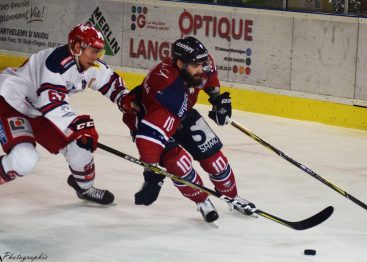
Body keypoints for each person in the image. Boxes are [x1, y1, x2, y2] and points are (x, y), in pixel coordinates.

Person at [123, 36, 255, 223]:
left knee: (215, 159)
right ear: (179, 63)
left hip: (181, 112)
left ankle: (232, 196)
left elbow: (209, 80)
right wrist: (151, 175)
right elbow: (148, 139)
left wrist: (217, 99)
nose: (201, 69)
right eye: (196, 65)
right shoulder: (166, 89)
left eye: (202, 63)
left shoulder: (201, 64)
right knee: (179, 164)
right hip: (151, 121)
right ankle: (202, 201)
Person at [0, 24, 133, 205]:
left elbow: (111, 82)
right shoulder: (54, 63)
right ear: (78, 47)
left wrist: (125, 100)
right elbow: (53, 105)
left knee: (80, 147)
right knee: (25, 158)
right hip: (11, 102)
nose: (96, 57)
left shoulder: (89, 63)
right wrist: (81, 126)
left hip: (38, 110)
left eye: (99, 52)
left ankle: (84, 188)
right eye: (93, 51)